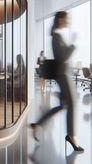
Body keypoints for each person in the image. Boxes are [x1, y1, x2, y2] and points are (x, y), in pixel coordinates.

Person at [30, 11, 84, 152]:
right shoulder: (56, 36)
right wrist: (73, 44)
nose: (68, 21)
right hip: (62, 75)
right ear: (60, 20)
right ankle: (72, 136)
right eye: (67, 18)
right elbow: (62, 57)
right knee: (72, 103)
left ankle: (37, 125)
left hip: (63, 73)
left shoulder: (56, 35)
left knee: (62, 106)